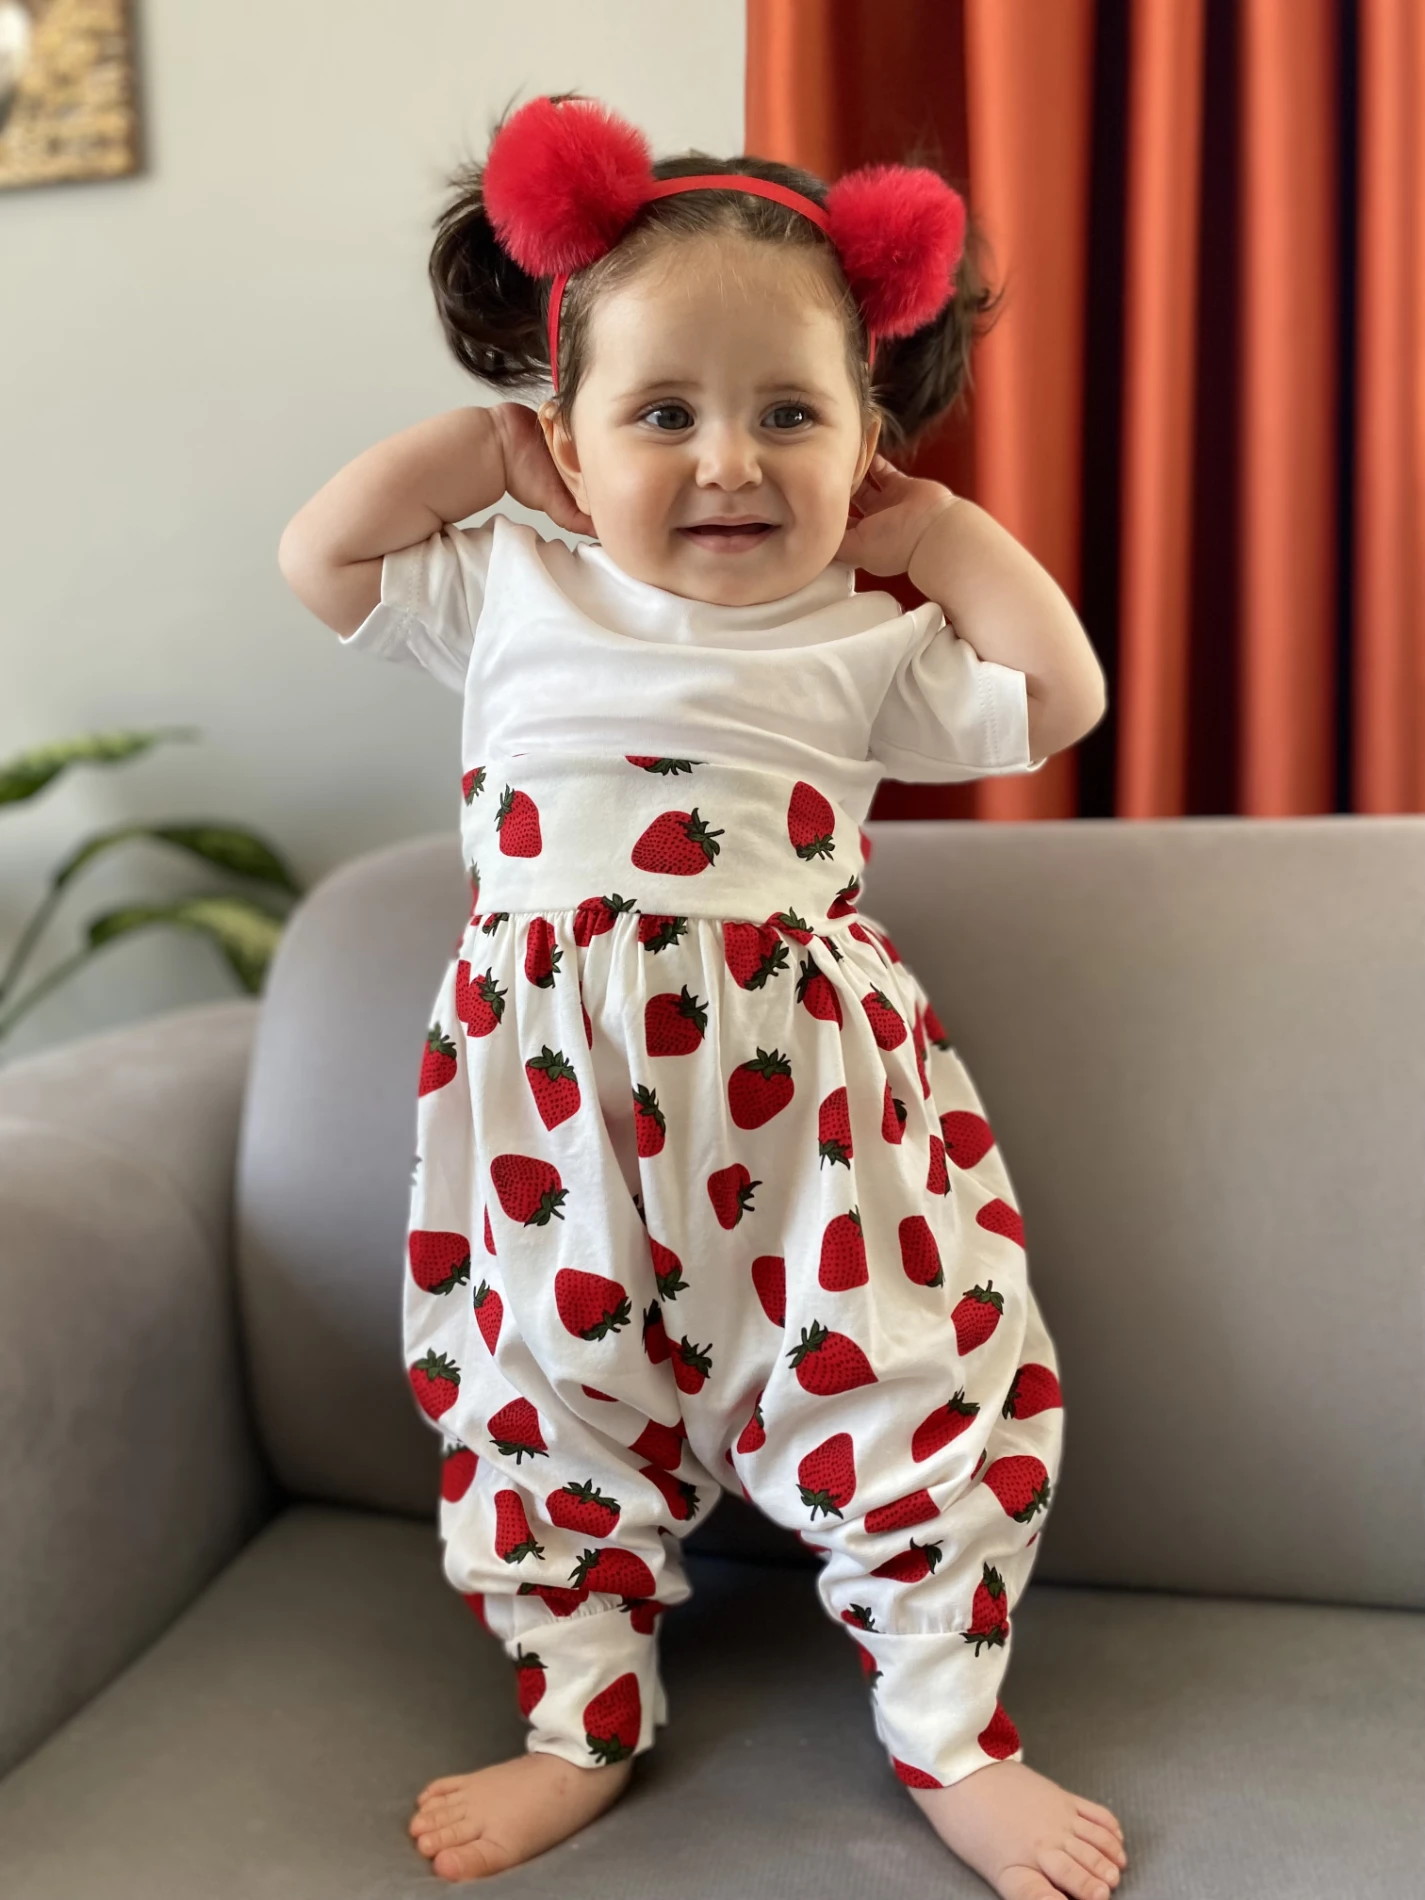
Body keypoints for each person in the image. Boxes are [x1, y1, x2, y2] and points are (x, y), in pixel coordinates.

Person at [278, 92, 1123, 1900]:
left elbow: (1058, 697)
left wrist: (937, 535)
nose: (729, 460)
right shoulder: (515, 586)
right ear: (566, 445)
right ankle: (580, 1716)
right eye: (662, 413)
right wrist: (479, 454)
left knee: (915, 1382)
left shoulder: (863, 633)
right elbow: (320, 558)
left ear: (867, 442)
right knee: (536, 1391)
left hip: (814, 1116)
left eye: (791, 415)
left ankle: (950, 1730)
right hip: (548, 1114)